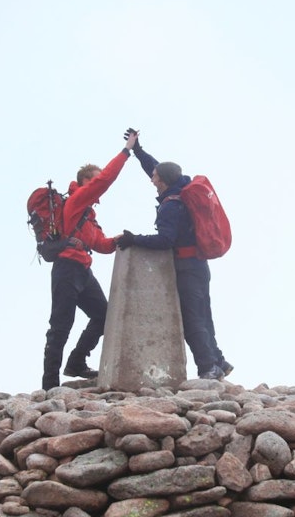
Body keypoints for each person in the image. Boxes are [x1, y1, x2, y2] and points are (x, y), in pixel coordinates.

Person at [116, 130, 233, 380]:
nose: (152, 179)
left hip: (186, 266)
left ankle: (208, 367)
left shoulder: (171, 206)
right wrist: (137, 150)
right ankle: (219, 361)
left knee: (192, 320)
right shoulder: (180, 187)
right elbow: (154, 167)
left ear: (163, 181)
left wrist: (133, 239)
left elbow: (165, 241)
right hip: (200, 264)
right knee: (204, 313)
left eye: (155, 177)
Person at [40, 132, 138, 389]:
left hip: (82, 270)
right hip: (66, 269)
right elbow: (105, 179)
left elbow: (101, 245)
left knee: (104, 316)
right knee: (61, 325)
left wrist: (121, 240)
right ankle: (49, 385)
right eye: (93, 181)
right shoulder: (75, 202)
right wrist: (127, 150)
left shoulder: (88, 215)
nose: (99, 186)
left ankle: (76, 363)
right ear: (84, 182)